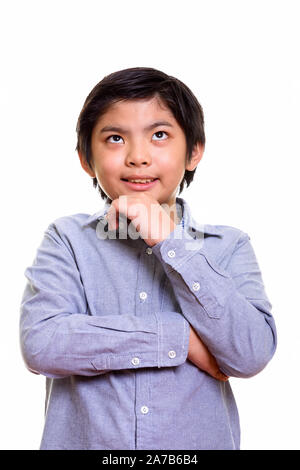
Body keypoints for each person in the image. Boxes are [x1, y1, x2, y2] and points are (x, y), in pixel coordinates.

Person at [19, 67, 277, 450]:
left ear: (193, 151)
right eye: (115, 138)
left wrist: (171, 241)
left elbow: (251, 354)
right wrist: (180, 338)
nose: (138, 157)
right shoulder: (67, 240)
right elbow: (43, 343)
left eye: (159, 135)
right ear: (85, 158)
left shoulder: (229, 246)